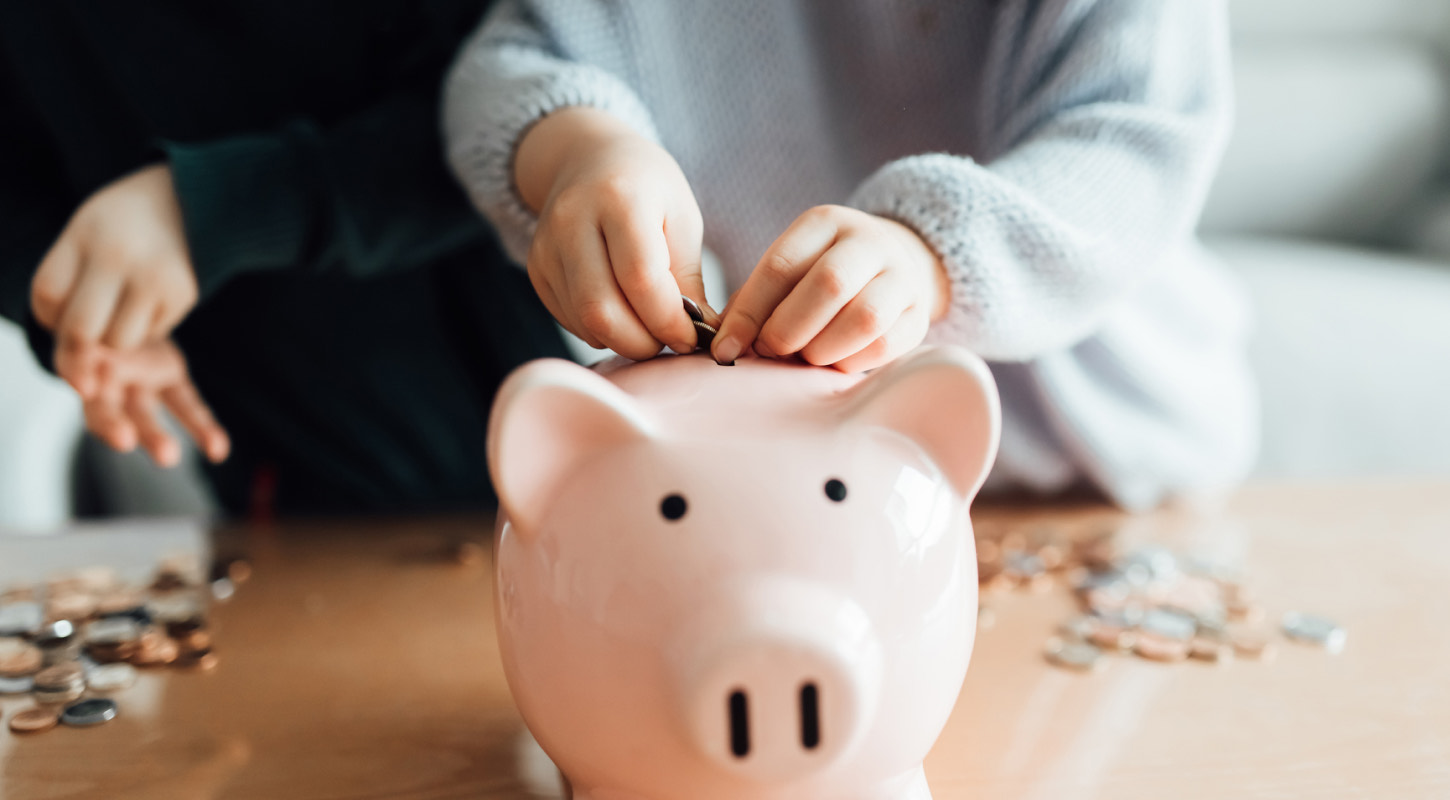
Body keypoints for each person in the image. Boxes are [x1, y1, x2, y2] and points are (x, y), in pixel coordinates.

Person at [442, 0, 1259, 509]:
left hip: (1111, 471)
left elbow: (1134, 143)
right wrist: (582, 150)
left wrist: (931, 250)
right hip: (828, 486)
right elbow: (513, 64)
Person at [1, 2, 568, 516]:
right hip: (282, 491)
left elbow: (507, 114)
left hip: (536, 447)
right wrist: (76, 306)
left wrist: (207, 210)